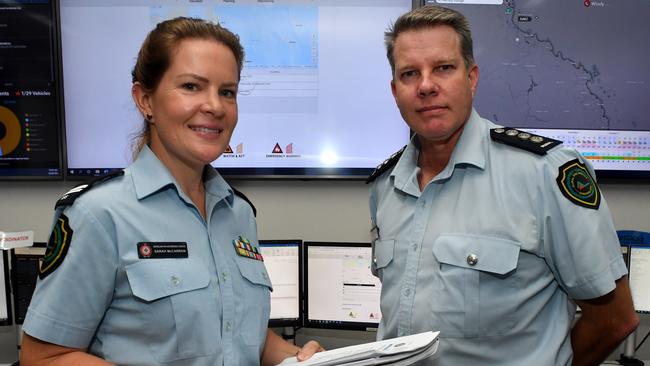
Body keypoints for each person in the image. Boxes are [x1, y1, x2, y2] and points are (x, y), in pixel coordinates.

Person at [20, 17, 321, 366]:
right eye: (192, 86)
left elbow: (238, 334)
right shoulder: (98, 214)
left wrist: (300, 358)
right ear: (145, 99)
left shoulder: (237, 212)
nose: (216, 106)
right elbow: (43, 357)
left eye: (227, 92)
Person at [367, 5, 639, 366]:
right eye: (409, 74)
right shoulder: (385, 185)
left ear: (472, 77)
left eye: (444, 68)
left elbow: (614, 319)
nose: (427, 85)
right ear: (394, 90)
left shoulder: (544, 172)